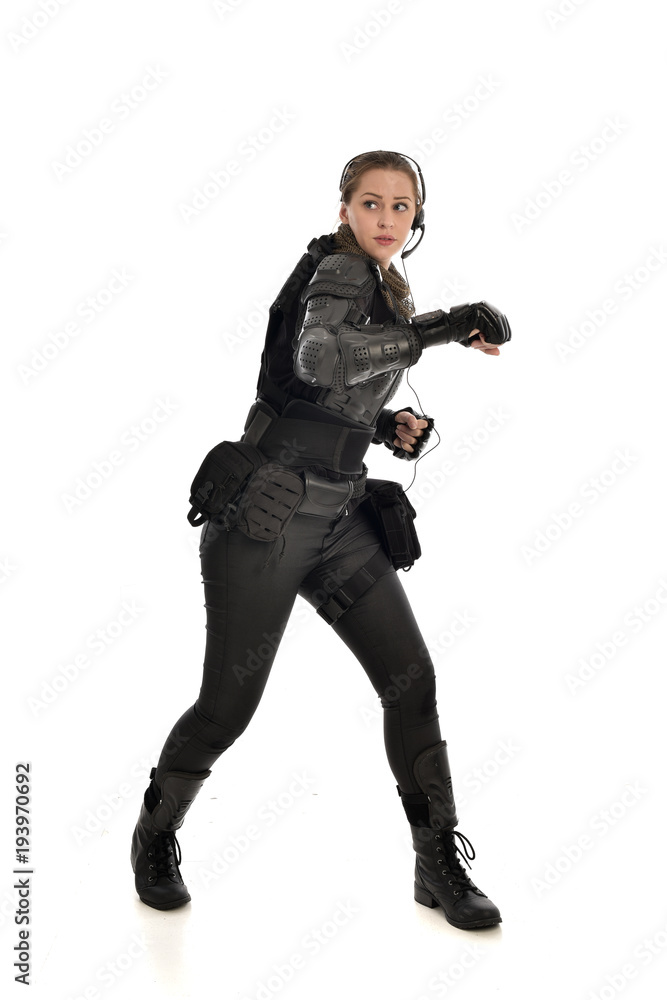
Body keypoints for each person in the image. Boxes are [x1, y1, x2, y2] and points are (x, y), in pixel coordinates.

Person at [130, 150, 511, 930]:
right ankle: (156, 832)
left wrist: (385, 426)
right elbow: (321, 354)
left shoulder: (376, 284)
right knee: (228, 708)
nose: (384, 218)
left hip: (337, 517)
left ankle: (434, 861)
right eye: (370, 203)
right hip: (266, 518)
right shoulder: (340, 271)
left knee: (410, 678)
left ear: (416, 218)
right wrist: (441, 328)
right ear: (344, 209)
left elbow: (315, 389)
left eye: (400, 207)